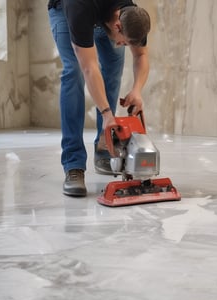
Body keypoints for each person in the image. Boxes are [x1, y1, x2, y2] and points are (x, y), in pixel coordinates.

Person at [47, 0, 151, 197]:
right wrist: (106, 113)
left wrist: (137, 90)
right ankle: (74, 165)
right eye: (124, 41)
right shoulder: (79, 8)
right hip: (65, 10)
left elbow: (141, 55)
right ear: (117, 25)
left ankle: (104, 149)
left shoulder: (132, 14)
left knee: (112, 71)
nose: (123, 45)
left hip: (103, 11)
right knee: (74, 72)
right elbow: (89, 67)